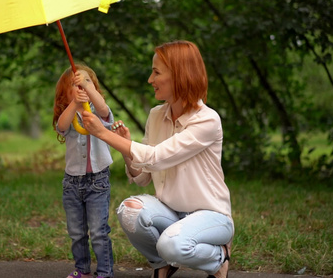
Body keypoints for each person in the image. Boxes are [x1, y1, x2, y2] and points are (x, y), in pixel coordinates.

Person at [81, 40, 234, 278]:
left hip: (211, 216)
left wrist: (102, 133)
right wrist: (126, 147)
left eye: (156, 72)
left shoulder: (207, 120)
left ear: (180, 75)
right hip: (170, 212)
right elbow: (143, 177)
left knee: (171, 244)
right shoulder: (155, 115)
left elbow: (156, 158)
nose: (150, 80)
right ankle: (162, 263)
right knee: (129, 211)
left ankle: (219, 257)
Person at [52, 63, 115, 278]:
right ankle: (82, 269)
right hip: (72, 183)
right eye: (74, 83)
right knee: (77, 232)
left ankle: (105, 272)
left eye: (87, 81)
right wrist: (74, 104)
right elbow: (61, 126)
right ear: (65, 92)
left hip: (98, 181)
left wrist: (88, 90)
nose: (80, 85)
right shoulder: (68, 115)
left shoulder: (97, 111)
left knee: (98, 232)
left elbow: (105, 110)